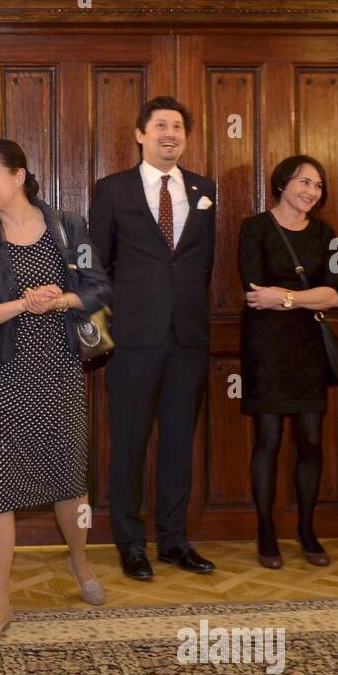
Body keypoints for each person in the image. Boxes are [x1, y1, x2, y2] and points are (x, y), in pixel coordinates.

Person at [0, 140, 111, 644]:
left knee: (69, 477)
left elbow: (99, 286)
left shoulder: (69, 227)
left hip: (59, 370)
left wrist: (62, 298)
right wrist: (23, 305)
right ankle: (1, 605)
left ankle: (80, 563)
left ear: (19, 175)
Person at [89, 96, 217, 581]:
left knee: (179, 444)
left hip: (188, 338)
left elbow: (202, 263)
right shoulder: (113, 189)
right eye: (160, 125)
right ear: (140, 134)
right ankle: (129, 542)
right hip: (132, 339)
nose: (170, 134)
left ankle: (174, 540)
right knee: (129, 443)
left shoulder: (204, 189)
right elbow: (97, 264)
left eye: (178, 127)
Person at [238, 156, 338, 569]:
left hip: (308, 348)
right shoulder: (255, 229)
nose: (311, 192)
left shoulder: (325, 233)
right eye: (304, 182)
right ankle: (266, 530)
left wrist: (285, 298)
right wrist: (300, 297)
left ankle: (307, 529)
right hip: (266, 349)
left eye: (318, 185)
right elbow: (253, 293)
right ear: (282, 183)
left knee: (311, 441)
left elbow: (334, 296)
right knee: (268, 441)